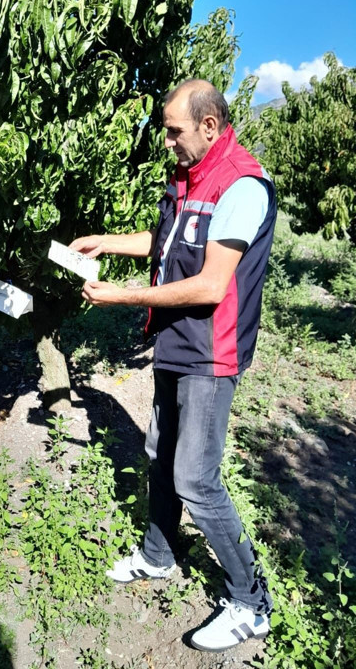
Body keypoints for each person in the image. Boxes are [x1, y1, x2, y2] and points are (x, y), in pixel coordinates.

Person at [69, 78, 276, 652]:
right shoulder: (189, 177)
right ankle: (160, 555)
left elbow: (211, 285)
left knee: (196, 478)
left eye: (174, 131)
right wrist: (105, 243)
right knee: (159, 454)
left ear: (209, 126)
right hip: (174, 341)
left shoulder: (241, 184)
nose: (167, 142)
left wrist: (122, 296)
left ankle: (251, 602)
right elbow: (166, 241)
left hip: (211, 351)